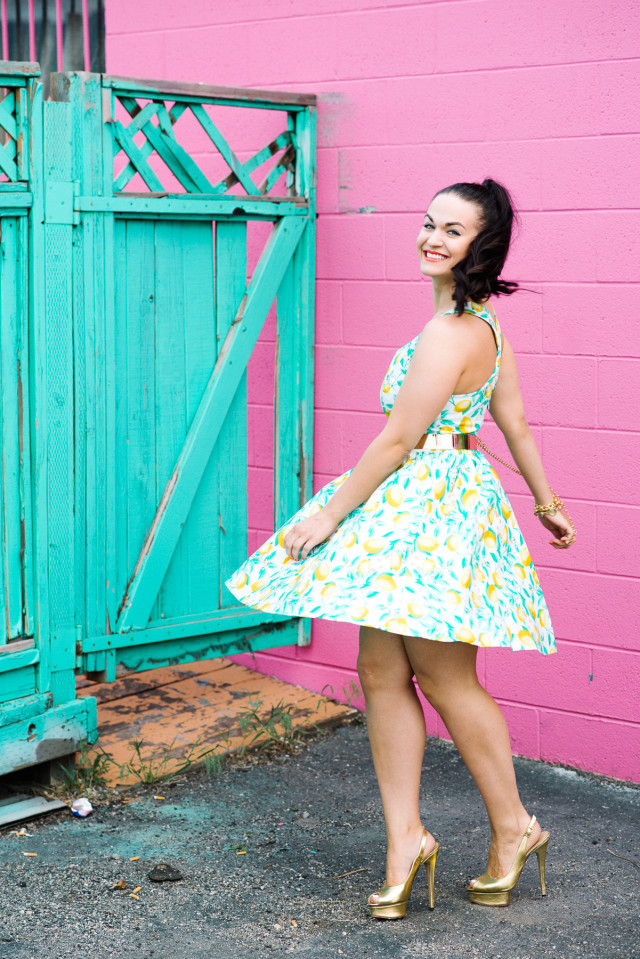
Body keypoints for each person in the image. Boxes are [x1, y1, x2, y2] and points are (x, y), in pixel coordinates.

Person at [224, 178, 575, 919]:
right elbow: (514, 425)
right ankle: (405, 838)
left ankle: (516, 827)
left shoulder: (454, 332)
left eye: (453, 230)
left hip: (431, 508)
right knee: (380, 667)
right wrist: (546, 503)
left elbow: (399, 437)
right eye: (428, 223)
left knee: (445, 676)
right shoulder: (478, 323)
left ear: (482, 246)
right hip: (420, 506)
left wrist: (328, 516)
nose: (432, 238)